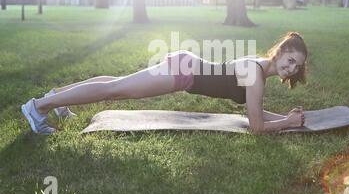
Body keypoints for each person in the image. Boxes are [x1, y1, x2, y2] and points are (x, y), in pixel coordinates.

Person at [21, 32, 308, 135]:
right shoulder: (256, 75)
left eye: (297, 66)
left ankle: (58, 98)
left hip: (185, 67)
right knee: (117, 89)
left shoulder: (257, 68)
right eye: (290, 60)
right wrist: (288, 123)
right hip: (183, 73)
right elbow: (257, 126)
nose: (291, 69)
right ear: (280, 51)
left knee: (117, 84)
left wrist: (285, 118)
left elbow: (254, 114)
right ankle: (39, 107)